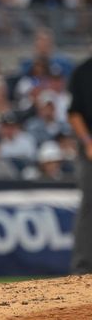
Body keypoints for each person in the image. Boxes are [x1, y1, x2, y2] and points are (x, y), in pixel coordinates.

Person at [68, 51, 92, 274]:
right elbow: (74, 112)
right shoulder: (83, 72)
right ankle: (82, 268)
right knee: (89, 206)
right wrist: (87, 141)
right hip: (90, 151)